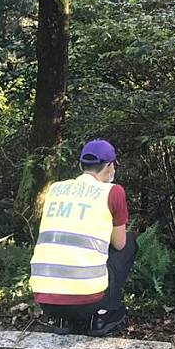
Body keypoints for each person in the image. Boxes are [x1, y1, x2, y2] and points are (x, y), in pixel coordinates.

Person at [29, 139, 136, 337]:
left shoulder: (55, 189)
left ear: (80, 165)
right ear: (110, 165)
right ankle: (102, 315)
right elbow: (119, 244)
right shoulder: (113, 192)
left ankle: (61, 319)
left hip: (45, 299)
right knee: (128, 243)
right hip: (88, 300)